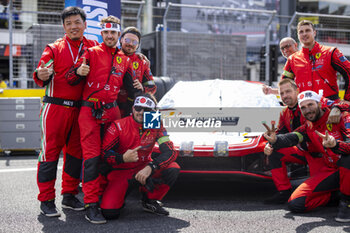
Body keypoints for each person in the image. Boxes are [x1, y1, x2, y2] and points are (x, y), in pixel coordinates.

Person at [66, 15, 139, 224]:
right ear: (101, 33)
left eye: (113, 33)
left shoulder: (124, 59)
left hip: (112, 113)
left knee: (111, 156)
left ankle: (106, 197)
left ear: (118, 34)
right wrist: (78, 72)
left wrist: (144, 90)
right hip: (89, 113)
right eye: (106, 32)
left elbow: (133, 89)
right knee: (92, 159)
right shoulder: (90, 53)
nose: (109, 36)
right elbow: (70, 79)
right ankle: (91, 204)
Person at [32, 6, 98, 218]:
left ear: (85, 24)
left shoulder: (93, 46)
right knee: (49, 154)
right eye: (68, 23)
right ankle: (46, 199)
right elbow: (43, 71)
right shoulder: (53, 48)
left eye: (77, 22)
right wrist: (41, 74)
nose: (73, 27)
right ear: (64, 27)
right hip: (55, 108)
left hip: (81, 110)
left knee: (76, 155)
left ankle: (69, 195)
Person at [263, 90, 350, 221]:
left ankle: (346, 203)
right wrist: (275, 141)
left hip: (346, 166)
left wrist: (336, 145)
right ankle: (335, 195)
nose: (307, 110)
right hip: (331, 170)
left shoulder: (341, 116)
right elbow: (291, 138)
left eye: (310, 105)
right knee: (296, 203)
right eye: (303, 107)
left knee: (347, 158)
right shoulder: (307, 127)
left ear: (319, 104)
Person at [99, 93, 180, 220]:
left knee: (173, 167)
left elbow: (170, 152)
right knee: (110, 213)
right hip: (122, 171)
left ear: (152, 112)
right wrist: (122, 158)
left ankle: (150, 201)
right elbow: (104, 154)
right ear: (133, 108)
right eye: (138, 108)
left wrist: (151, 167)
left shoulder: (155, 121)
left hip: (145, 167)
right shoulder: (118, 125)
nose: (141, 112)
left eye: (146, 110)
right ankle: (120, 196)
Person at [282, 20, 350, 101]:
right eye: (301, 32)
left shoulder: (331, 52)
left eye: (307, 30)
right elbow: (284, 85)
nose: (304, 34)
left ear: (314, 33)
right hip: (304, 107)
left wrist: (347, 99)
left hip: (329, 107)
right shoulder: (292, 59)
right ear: (298, 35)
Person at [118, 26, 156, 117]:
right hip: (112, 106)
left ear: (138, 45)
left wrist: (142, 88)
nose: (130, 44)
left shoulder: (142, 62)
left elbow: (152, 87)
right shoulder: (111, 56)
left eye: (134, 42)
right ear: (121, 39)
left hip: (133, 109)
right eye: (127, 40)